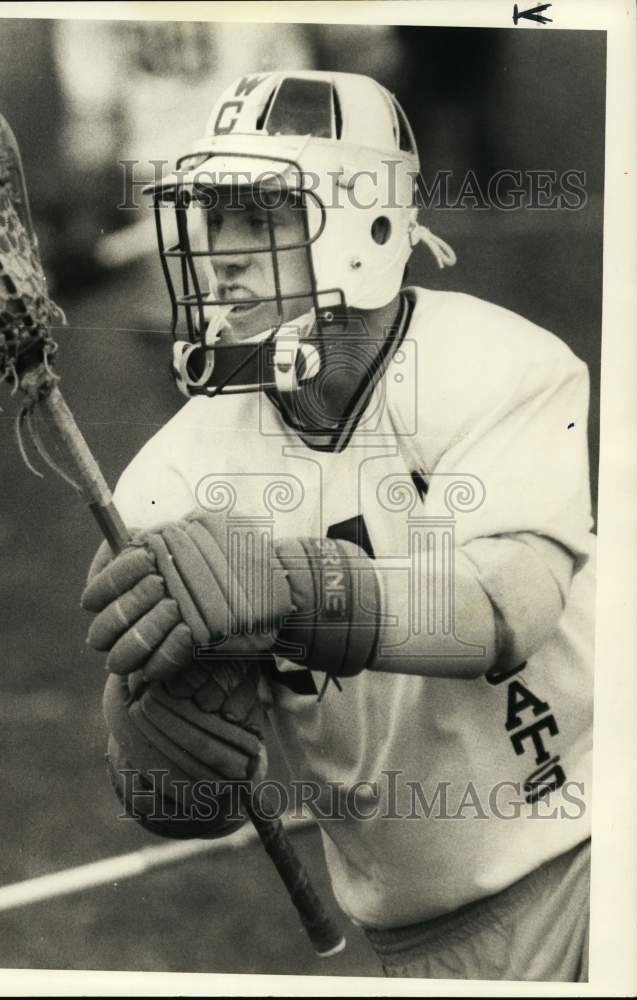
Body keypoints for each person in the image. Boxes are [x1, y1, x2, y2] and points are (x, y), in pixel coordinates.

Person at [81, 71, 594, 981]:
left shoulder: (502, 364)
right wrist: (159, 748)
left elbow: (502, 608)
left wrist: (288, 586)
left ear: (368, 227)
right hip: (428, 936)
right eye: (210, 218)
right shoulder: (169, 477)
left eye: (256, 217)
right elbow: (179, 789)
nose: (219, 253)